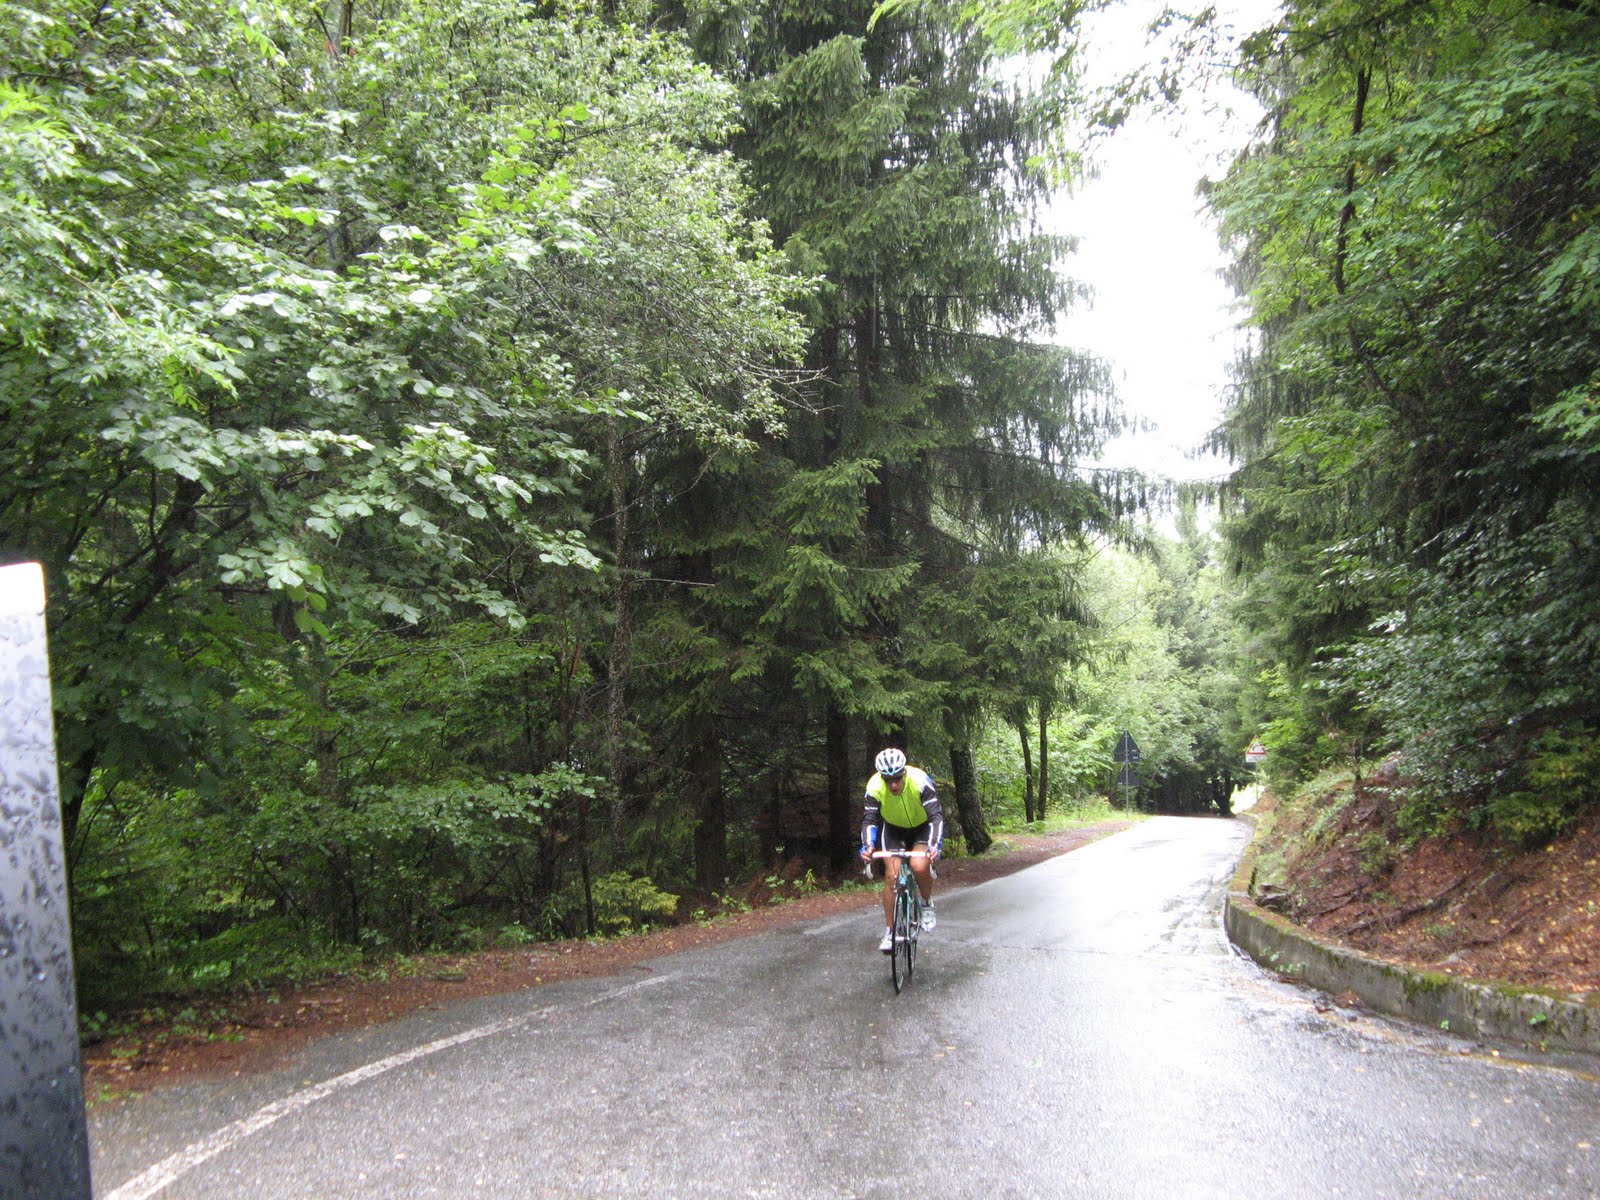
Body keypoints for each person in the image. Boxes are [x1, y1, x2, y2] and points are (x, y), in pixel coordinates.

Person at [859, 747, 944, 953]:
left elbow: (936, 816)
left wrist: (934, 846)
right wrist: (868, 846)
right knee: (892, 875)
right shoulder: (874, 787)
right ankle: (890, 932)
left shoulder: (920, 781)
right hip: (894, 830)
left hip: (922, 828)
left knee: (919, 865)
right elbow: (869, 820)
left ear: (904, 773)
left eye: (897, 779)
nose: (893, 785)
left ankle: (925, 903)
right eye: (888, 780)